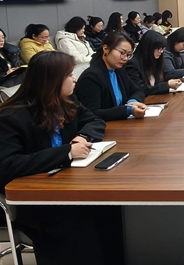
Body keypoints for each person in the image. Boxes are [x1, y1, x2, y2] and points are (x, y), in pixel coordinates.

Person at [0, 51, 123, 265]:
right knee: (82, 222)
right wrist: (66, 152)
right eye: (69, 75)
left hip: (70, 184)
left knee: (113, 211)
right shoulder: (12, 117)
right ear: (52, 80)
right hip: (38, 199)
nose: (74, 79)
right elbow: (7, 166)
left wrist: (83, 137)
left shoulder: (66, 101)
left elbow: (94, 120)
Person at [75, 32, 147, 122]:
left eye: (128, 55)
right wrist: (127, 110)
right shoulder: (91, 77)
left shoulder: (118, 71)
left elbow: (138, 90)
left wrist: (132, 101)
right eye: (122, 53)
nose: (125, 58)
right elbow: (92, 113)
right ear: (106, 49)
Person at [125, 30, 182, 95]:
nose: (161, 52)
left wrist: (174, 79)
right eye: (159, 49)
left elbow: (163, 75)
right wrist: (166, 85)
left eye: (163, 49)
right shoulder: (133, 65)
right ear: (149, 47)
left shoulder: (155, 60)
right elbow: (141, 90)